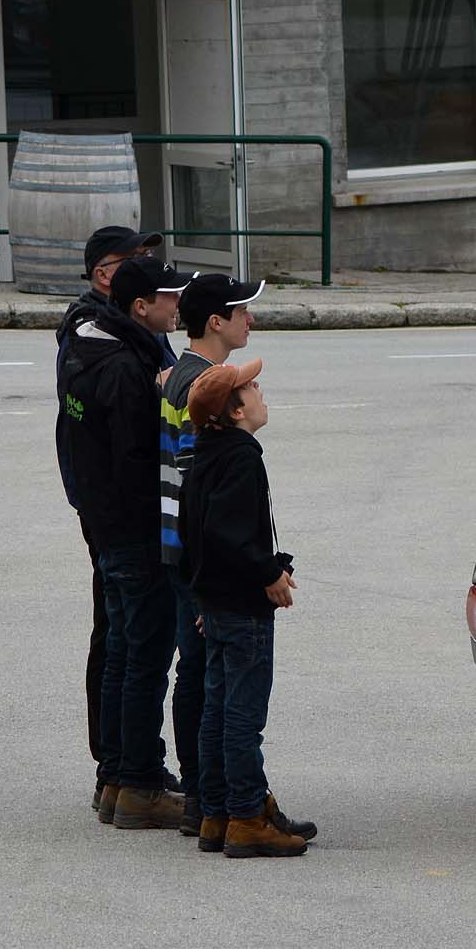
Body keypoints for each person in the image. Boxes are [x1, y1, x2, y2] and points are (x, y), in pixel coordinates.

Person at [61, 254, 185, 830]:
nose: (178, 305)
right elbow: (138, 460)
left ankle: (115, 775)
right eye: (170, 297)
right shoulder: (124, 366)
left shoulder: (92, 345)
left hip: (105, 526)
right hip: (133, 533)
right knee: (145, 657)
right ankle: (138, 781)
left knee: (120, 652)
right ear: (141, 307)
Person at [180, 360, 316, 857]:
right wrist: (269, 574)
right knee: (242, 715)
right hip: (241, 607)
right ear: (235, 410)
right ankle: (246, 815)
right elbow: (227, 534)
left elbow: (193, 533)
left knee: (217, 710)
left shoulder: (205, 454)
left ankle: (217, 812)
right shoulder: (240, 459)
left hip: (216, 602)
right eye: (251, 387)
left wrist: (201, 593)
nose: (260, 391)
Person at [155, 272, 265, 836]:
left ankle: (211, 793)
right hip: (195, 554)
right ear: (217, 322)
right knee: (207, 676)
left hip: (181, 547)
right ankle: (211, 795)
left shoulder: (179, 377)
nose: (251, 319)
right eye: (242, 311)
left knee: (199, 673)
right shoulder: (206, 387)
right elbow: (206, 485)